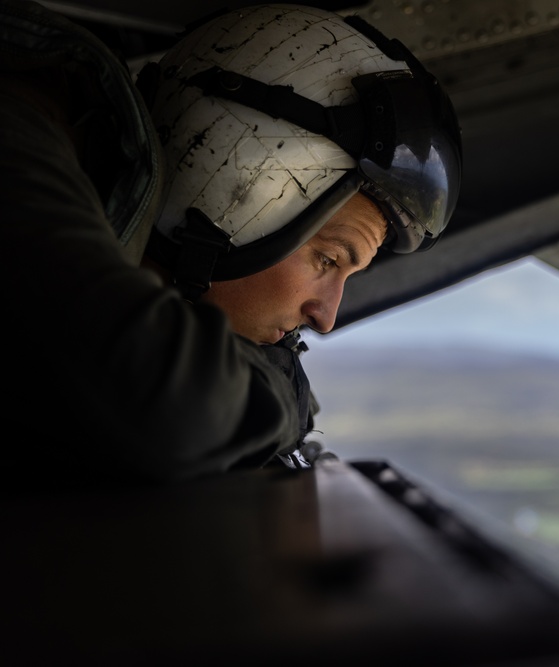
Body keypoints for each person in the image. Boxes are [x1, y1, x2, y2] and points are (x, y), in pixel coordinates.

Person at [0, 1, 462, 490]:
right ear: (236, 180)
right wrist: (279, 394)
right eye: (327, 259)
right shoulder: (19, 128)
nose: (325, 316)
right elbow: (157, 403)